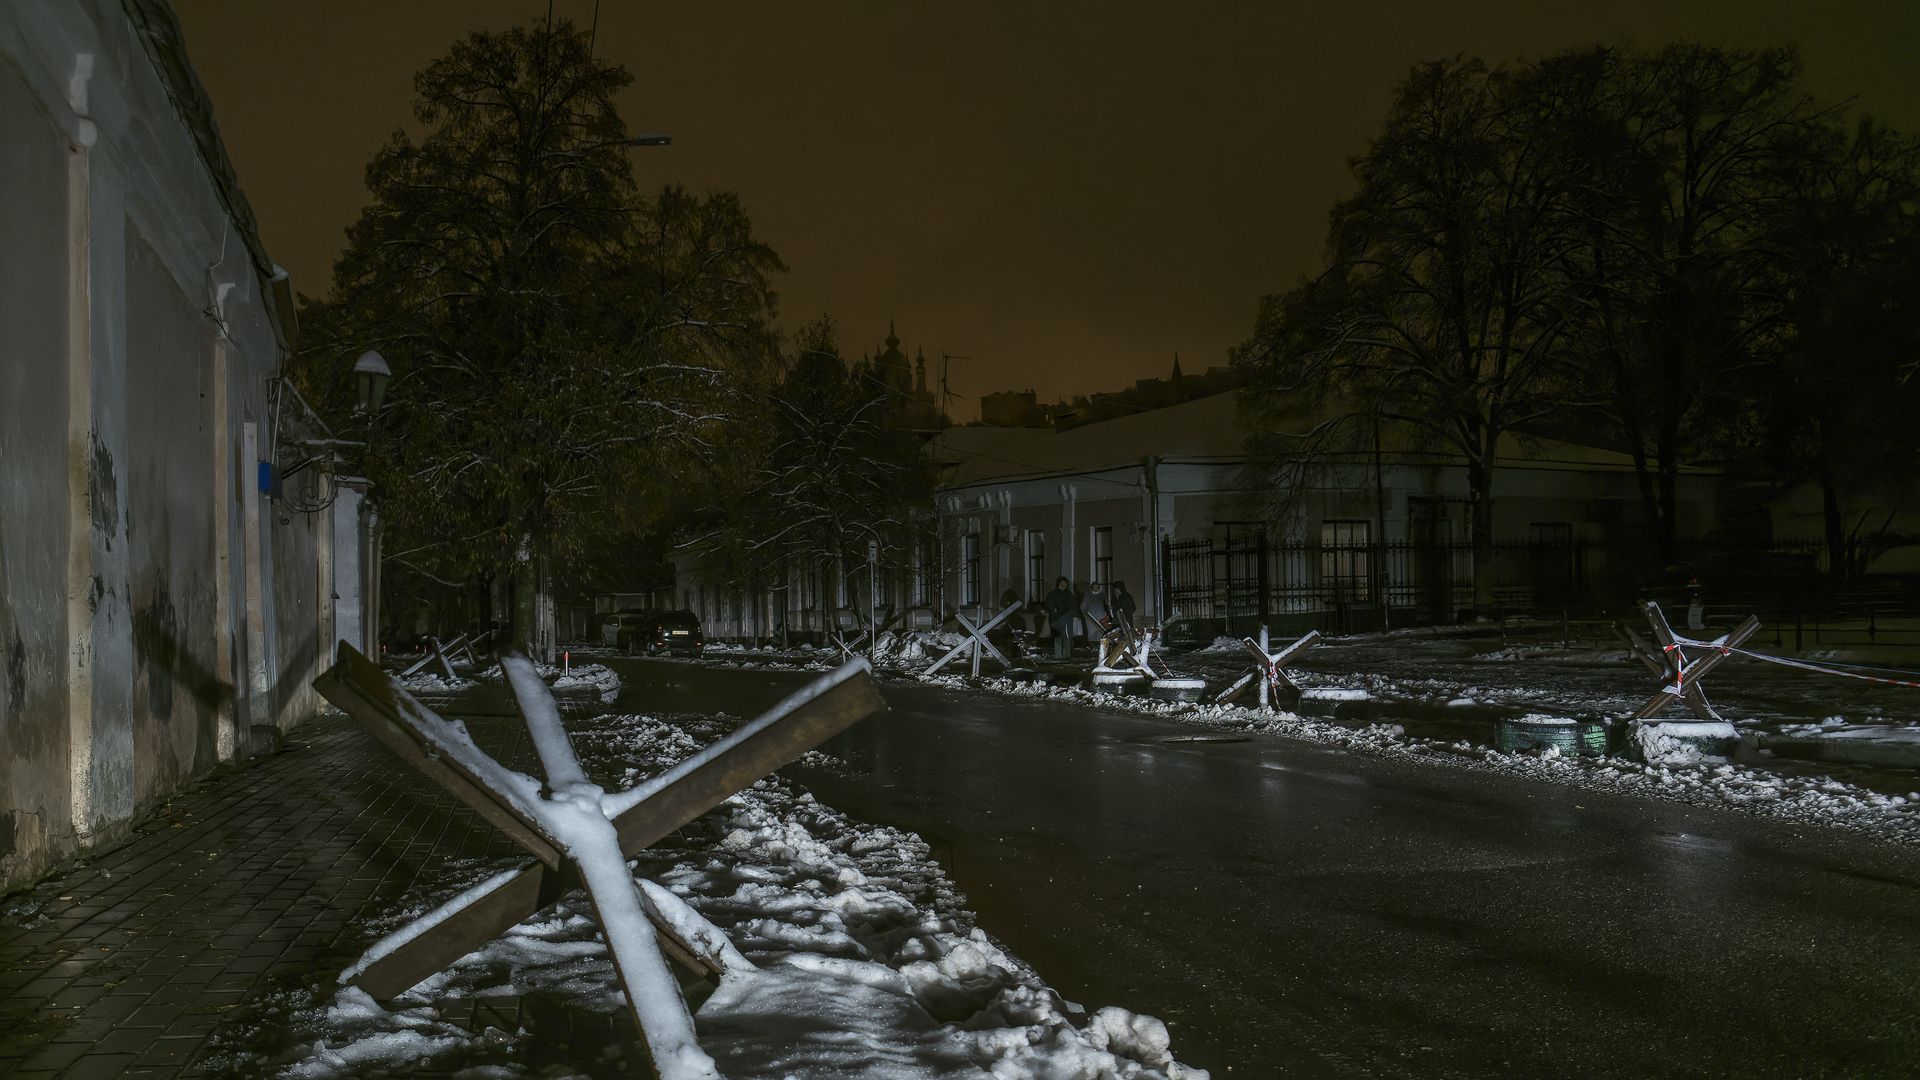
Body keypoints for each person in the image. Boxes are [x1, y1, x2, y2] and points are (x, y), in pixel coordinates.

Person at [1043, 576, 1076, 659]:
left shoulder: (1069, 594)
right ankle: (1058, 655)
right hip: (1056, 619)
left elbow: (1073, 605)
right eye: (1062, 583)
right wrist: (1054, 609)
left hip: (1067, 619)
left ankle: (1066, 655)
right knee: (1057, 637)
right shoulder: (1053, 594)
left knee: (1066, 637)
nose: (1063, 585)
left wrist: (1071, 612)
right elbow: (1048, 604)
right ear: (1058, 583)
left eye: (1065, 583)